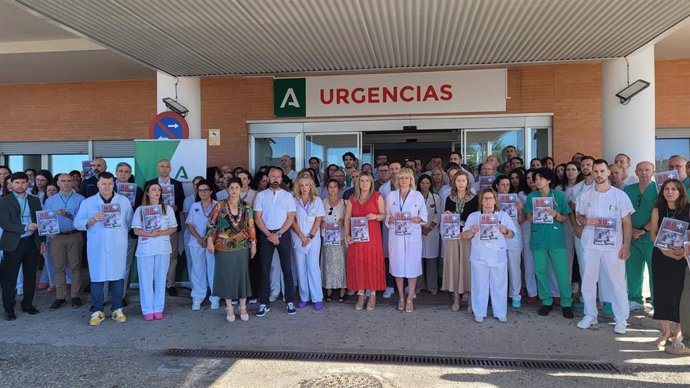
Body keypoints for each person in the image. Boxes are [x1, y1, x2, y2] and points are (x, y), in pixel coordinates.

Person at [575, 160, 634, 334]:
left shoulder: (620, 196)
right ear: (592, 173)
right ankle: (590, 314)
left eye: (602, 171)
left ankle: (621, 319)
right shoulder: (585, 195)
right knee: (588, 280)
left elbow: (627, 223)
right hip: (590, 245)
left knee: (617, 282)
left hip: (613, 247)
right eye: (595, 171)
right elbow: (579, 216)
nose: (598, 174)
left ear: (608, 172)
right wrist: (586, 221)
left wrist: (626, 246)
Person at [74, 172, 133, 326]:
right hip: (97, 246)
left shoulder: (124, 201)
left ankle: (117, 309)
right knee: (97, 277)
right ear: (98, 184)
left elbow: (130, 221)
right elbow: (77, 222)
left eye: (109, 184)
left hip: (117, 245)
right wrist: (91, 220)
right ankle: (97, 310)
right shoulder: (88, 202)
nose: (106, 187)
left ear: (114, 185)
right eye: (103, 184)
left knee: (118, 276)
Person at [524, 168, 574, 318]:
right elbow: (527, 215)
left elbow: (565, 217)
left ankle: (566, 302)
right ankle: (546, 301)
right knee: (540, 271)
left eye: (540, 178)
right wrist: (530, 217)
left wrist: (557, 215)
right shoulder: (532, 197)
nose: (537, 181)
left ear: (549, 180)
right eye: (536, 178)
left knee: (561, 272)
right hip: (538, 237)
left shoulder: (558, 196)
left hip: (555, 238)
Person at [207, 178, 257, 322]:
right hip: (222, 246)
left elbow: (251, 226)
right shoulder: (220, 205)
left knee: (242, 275)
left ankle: (242, 306)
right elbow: (211, 224)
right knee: (226, 275)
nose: (234, 190)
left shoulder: (246, 207)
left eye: (237, 187)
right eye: (231, 188)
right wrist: (210, 241)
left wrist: (253, 244)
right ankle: (229, 307)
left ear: (241, 189)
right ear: (227, 190)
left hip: (242, 245)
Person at [462, 189, 517, 322]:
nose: (488, 201)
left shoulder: (503, 216)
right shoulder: (474, 216)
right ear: (481, 201)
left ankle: (500, 312)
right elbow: (464, 235)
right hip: (479, 255)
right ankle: (479, 311)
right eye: (485, 198)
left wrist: (505, 231)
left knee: (499, 285)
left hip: (498, 255)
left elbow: (513, 235)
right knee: (479, 284)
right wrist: (472, 231)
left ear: (495, 200)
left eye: (490, 198)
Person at [649, 179, 690, 351]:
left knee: (680, 295)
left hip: (682, 258)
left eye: (674, 189)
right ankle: (665, 332)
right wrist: (663, 250)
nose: (670, 192)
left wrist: (682, 250)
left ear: (680, 192)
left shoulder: (688, 210)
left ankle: (678, 333)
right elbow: (653, 234)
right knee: (662, 293)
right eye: (667, 189)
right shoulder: (658, 209)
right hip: (661, 256)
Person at [0, 172, 46, 321]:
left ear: (28, 184)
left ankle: (27, 304)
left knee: (30, 276)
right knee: (10, 278)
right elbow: (5, 224)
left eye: (23, 182)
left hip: (31, 243)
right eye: (17, 183)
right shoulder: (4, 201)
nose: (20, 185)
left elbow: (40, 222)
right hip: (13, 243)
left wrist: (42, 241)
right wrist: (26, 227)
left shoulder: (35, 200)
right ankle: (9, 308)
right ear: (11, 184)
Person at [253, 166, 297, 317]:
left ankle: (290, 301)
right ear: (268, 178)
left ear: (282, 178)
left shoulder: (288, 195)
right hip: (266, 235)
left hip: (282, 234)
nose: (275, 179)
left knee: (287, 270)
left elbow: (290, 217)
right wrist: (268, 234)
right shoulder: (260, 196)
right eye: (273, 177)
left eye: (278, 177)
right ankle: (264, 303)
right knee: (265, 270)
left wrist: (278, 234)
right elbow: (257, 218)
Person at [131, 183, 178, 321]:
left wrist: (162, 232)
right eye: (154, 189)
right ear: (147, 193)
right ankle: (147, 309)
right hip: (146, 247)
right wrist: (150, 234)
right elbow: (136, 230)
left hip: (162, 248)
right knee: (146, 279)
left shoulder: (167, 209)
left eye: (159, 190)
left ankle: (158, 308)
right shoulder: (140, 209)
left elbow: (173, 228)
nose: (157, 192)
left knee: (161, 278)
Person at [386, 168, 427, 313]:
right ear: (397, 180)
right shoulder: (391, 196)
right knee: (397, 267)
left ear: (411, 180)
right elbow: (386, 215)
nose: (404, 181)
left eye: (407, 178)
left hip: (412, 236)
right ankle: (401, 297)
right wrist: (389, 219)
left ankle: (410, 298)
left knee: (412, 268)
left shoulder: (418, 196)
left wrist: (419, 219)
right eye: (401, 178)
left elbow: (424, 216)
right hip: (396, 236)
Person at [345, 173, 386, 310]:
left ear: (371, 182)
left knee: (371, 262)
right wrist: (347, 234)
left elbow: (384, 215)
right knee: (359, 264)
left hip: (373, 236)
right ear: (357, 182)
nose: (364, 183)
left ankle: (372, 293)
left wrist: (375, 216)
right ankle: (361, 293)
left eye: (367, 180)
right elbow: (347, 218)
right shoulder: (352, 198)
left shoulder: (377, 196)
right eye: (361, 180)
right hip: (357, 238)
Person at [43, 173, 85, 309]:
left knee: (75, 266)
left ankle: (75, 296)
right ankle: (60, 297)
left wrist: (68, 215)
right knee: (59, 267)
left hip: (75, 235)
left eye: (69, 181)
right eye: (63, 181)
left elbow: (82, 220)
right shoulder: (50, 200)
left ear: (73, 182)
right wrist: (49, 232)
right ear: (58, 183)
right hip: (57, 237)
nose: (66, 183)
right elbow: (45, 220)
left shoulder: (80, 199)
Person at [145, 159, 185, 297]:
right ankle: (156, 284)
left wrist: (176, 207)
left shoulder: (177, 184)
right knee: (155, 256)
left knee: (172, 256)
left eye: (167, 166)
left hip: (172, 226)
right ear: (157, 168)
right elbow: (144, 204)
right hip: (153, 228)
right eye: (162, 166)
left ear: (170, 168)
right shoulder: (149, 184)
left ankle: (170, 284)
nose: (164, 169)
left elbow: (182, 202)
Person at [442, 170, 478, 312]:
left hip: (468, 237)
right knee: (455, 266)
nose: (461, 183)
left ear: (468, 183)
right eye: (458, 181)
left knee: (467, 267)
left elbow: (476, 217)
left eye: (463, 181)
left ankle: (470, 299)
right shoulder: (449, 198)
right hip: (453, 236)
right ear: (454, 183)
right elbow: (446, 216)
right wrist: (447, 215)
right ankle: (456, 297)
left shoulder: (475, 198)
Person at [623, 161, 657, 312]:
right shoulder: (628, 189)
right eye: (640, 170)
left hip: (651, 237)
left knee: (654, 271)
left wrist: (643, 229)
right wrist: (631, 231)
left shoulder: (658, 189)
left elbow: (661, 212)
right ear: (635, 172)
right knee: (633, 270)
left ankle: (657, 303)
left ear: (653, 172)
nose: (643, 173)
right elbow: (622, 212)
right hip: (631, 236)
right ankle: (635, 299)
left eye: (647, 170)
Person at [291, 176, 326, 310]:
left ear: (311, 186)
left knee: (313, 267)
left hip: (313, 239)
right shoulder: (294, 201)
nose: (304, 188)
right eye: (301, 185)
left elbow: (318, 220)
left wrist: (309, 236)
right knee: (301, 268)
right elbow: (292, 220)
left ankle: (317, 298)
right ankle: (304, 297)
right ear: (298, 187)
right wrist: (301, 236)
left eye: (307, 185)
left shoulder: (317, 201)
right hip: (299, 239)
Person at [185, 179, 220, 311]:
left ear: (211, 191)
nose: (203, 192)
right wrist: (199, 238)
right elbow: (190, 224)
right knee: (197, 270)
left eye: (206, 190)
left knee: (213, 269)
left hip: (213, 243)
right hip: (196, 242)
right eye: (200, 190)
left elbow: (220, 226)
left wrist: (209, 239)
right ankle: (197, 297)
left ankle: (215, 297)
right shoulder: (195, 206)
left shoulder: (218, 205)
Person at [114, 162, 144, 304]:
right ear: (116, 173)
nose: (123, 174)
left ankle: (120, 295)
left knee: (125, 265)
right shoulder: (107, 187)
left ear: (130, 173)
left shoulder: (138, 190)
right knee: (109, 264)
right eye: (120, 171)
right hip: (110, 233)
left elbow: (141, 210)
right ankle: (102, 296)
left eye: (126, 171)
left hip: (129, 233)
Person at [493, 176, 524, 308]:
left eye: (507, 185)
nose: (505, 187)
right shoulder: (492, 200)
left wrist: (520, 209)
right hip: (497, 238)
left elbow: (522, 221)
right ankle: (500, 295)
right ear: (497, 186)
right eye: (502, 184)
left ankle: (515, 295)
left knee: (514, 267)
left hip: (514, 237)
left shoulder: (516, 199)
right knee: (498, 268)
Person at [320, 178, 347, 303]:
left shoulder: (345, 203)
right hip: (327, 240)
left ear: (339, 188)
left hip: (340, 240)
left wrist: (343, 221)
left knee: (342, 265)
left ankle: (342, 289)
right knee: (328, 265)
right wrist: (321, 223)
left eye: (335, 186)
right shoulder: (322, 202)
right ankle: (328, 289)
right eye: (330, 187)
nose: (332, 189)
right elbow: (318, 218)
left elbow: (349, 219)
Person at [379, 161, 402, 299]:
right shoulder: (383, 189)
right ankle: (390, 286)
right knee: (389, 257)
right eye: (391, 169)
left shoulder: (409, 187)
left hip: (405, 229)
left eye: (396, 168)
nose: (394, 171)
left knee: (404, 257)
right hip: (389, 228)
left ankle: (404, 286)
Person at [417, 174, 441, 295]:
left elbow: (438, 214)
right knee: (418, 260)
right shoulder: (415, 197)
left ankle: (432, 286)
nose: (424, 185)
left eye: (427, 183)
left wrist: (430, 227)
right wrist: (421, 228)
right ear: (419, 184)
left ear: (430, 184)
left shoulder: (436, 197)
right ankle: (418, 286)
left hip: (432, 232)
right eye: (422, 183)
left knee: (431, 261)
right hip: (418, 231)